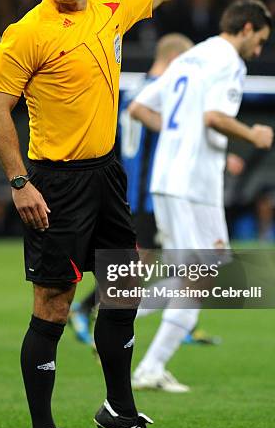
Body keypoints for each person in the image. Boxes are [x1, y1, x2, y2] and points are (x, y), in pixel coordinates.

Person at [0, 0, 224, 428]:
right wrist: (20, 183)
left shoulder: (112, 3)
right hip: (54, 183)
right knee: (54, 302)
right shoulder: (27, 33)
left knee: (124, 288)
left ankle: (118, 408)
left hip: (106, 177)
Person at [129, 0, 274, 392]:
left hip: (172, 180)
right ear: (246, 29)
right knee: (202, 276)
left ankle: (122, 317)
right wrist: (253, 135)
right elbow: (215, 117)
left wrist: (179, 136)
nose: (258, 50)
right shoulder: (228, 61)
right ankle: (147, 362)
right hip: (192, 185)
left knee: (196, 273)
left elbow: (140, 108)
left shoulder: (190, 57)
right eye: (259, 40)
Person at [69, 33, 193, 345]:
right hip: (147, 194)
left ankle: (181, 321)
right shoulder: (160, 94)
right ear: (177, 60)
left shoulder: (133, 90)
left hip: (129, 187)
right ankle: (88, 310)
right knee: (142, 264)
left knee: (158, 261)